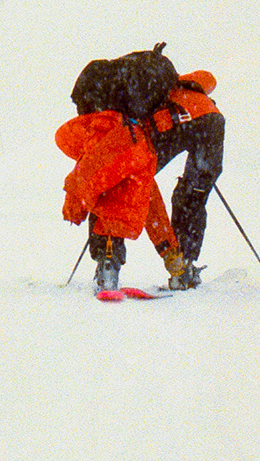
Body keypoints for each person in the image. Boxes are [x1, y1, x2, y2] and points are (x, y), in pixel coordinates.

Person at [55, 62, 196, 295]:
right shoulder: (135, 145)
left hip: (111, 144)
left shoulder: (116, 138)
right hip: (119, 144)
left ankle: (107, 270)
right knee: (112, 208)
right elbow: (154, 209)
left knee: (108, 210)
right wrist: (171, 255)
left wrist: (74, 207)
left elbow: (85, 174)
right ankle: (108, 269)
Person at [142, 68, 225, 273]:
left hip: (172, 124)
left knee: (136, 180)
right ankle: (185, 266)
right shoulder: (185, 89)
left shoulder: (149, 100)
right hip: (211, 123)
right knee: (192, 195)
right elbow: (208, 78)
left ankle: (179, 265)